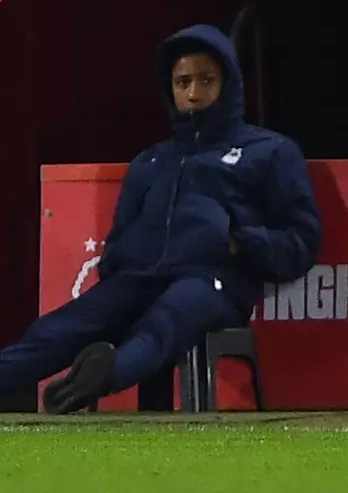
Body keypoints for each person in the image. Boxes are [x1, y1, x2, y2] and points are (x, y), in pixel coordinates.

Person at [0, 26, 321, 413]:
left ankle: (102, 376)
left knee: (167, 321)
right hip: (138, 279)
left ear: (229, 83)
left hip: (213, 281)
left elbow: (301, 242)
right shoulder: (150, 162)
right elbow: (117, 244)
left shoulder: (269, 152)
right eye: (182, 81)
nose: (193, 92)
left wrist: (240, 241)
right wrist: (122, 272)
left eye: (206, 80)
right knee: (59, 328)